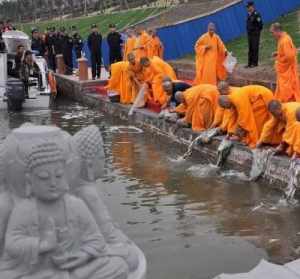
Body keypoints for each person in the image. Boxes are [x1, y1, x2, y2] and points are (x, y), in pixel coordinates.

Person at [0, 141, 129, 279]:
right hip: (37, 270)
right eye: (44, 177)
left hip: (74, 266)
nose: (53, 183)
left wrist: (84, 255)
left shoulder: (76, 205)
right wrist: (43, 245)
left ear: (65, 177)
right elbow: (11, 245)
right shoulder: (24, 209)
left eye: (59, 176)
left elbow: (96, 239)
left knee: (119, 265)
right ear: (30, 180)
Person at [270, 23, 300, 102]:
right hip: (284, 71)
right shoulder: (283, 38)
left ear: (277, 31)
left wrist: (279, 61)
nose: (272, 35)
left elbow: (290, 57)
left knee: (288, 89)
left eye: (272, 32)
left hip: (287, 72)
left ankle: (290, 104)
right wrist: (278, 53)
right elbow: (287, 52)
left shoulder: (285, 40)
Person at [246, 1, 263, 68]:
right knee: (250, 49)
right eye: (247, 7)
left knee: (255, 48)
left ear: (252, 6)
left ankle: (255, 63)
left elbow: (260, 25)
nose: (247, 8)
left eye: (248, 7)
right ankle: (249, 63)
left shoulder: (256, 14)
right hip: (249, 34)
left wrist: (256, 32)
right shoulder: (248, 14)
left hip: (255, 34)